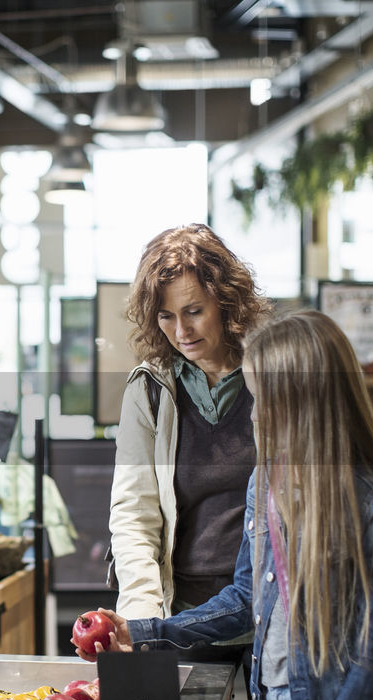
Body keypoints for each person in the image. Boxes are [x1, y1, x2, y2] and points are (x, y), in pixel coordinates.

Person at [83, 310, 373, 700]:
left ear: (300, 403)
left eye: (262, 398)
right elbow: (245, 597)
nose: (254, 413)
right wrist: (148, 631)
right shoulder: (269, 483)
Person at [109, 224, 271, 629]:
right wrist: (145, 621)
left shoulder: (273, 375)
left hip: (271, 609)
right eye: (167, 317)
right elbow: (134, 513)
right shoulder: (151, 390)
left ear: (227, 301)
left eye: (194, 311)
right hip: (182, 613)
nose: (181, 332)